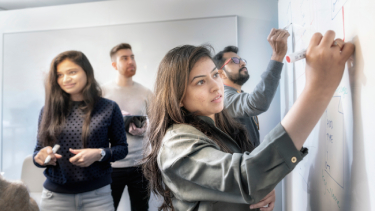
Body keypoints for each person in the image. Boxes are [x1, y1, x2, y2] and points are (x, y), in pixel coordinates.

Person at [142, 30, 354, 211]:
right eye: (200, 82)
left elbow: (237, 183)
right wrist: (318, 88)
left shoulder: (218, 124)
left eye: (215, 75)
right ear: (177, 97)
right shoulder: (176, 143)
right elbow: (246, 176)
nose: (216, 86)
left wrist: (260, 192)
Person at [33, 51, 128, 211]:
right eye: (60, 74)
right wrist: (42, 157)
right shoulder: (48, 110)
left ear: (87, 72)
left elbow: (122, 149)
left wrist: (99, 154)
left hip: (98, 197)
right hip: (55, 198)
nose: (66, 79)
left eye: (72, 72)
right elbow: (38, 153)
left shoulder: (109, 108)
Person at [213, 29, 289, 148]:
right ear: (221, 74)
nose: (243, 63)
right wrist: (277, 57)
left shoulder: (238, 94)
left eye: (241, 60)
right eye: (235, 61)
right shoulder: (224, 98)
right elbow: (258, 102)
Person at [102, 43, 152, 210]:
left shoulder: (146, 92)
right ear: (114, 65)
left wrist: (145, 129)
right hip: (111, 166)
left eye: (132, 57)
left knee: (141, 208)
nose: (131, 61)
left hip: (140, 165)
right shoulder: (102, 92)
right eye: (125, 58)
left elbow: (158, 125)